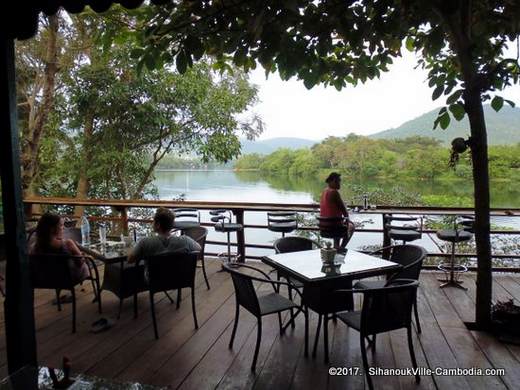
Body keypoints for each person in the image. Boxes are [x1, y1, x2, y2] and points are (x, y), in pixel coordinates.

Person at [29, 212, 90, 281]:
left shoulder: (34, 246)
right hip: (67, 278)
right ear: (52, 229)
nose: (63, 228)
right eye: (61, 225)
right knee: (85, 261)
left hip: (44, 279)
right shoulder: (67, 243)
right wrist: (82, 255)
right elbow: (80, 262)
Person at [128, 207, 200, 264]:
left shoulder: (145, 242)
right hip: (179, 280)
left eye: (154, 222)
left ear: (158, 225)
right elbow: (198, 249)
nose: (152, 224)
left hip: (154, 281)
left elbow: (130, 260)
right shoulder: (185, 241)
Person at [319, 172, 355, 249]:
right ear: (333, 181)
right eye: (339, 181)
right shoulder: (334, 192)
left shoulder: (324, 191)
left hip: (323, 226)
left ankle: (336, 246)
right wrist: (347, 220)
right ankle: (341, 248)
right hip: (333, 226)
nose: (339, 184)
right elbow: (345, 212)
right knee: (351, 226)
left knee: (338, 221)